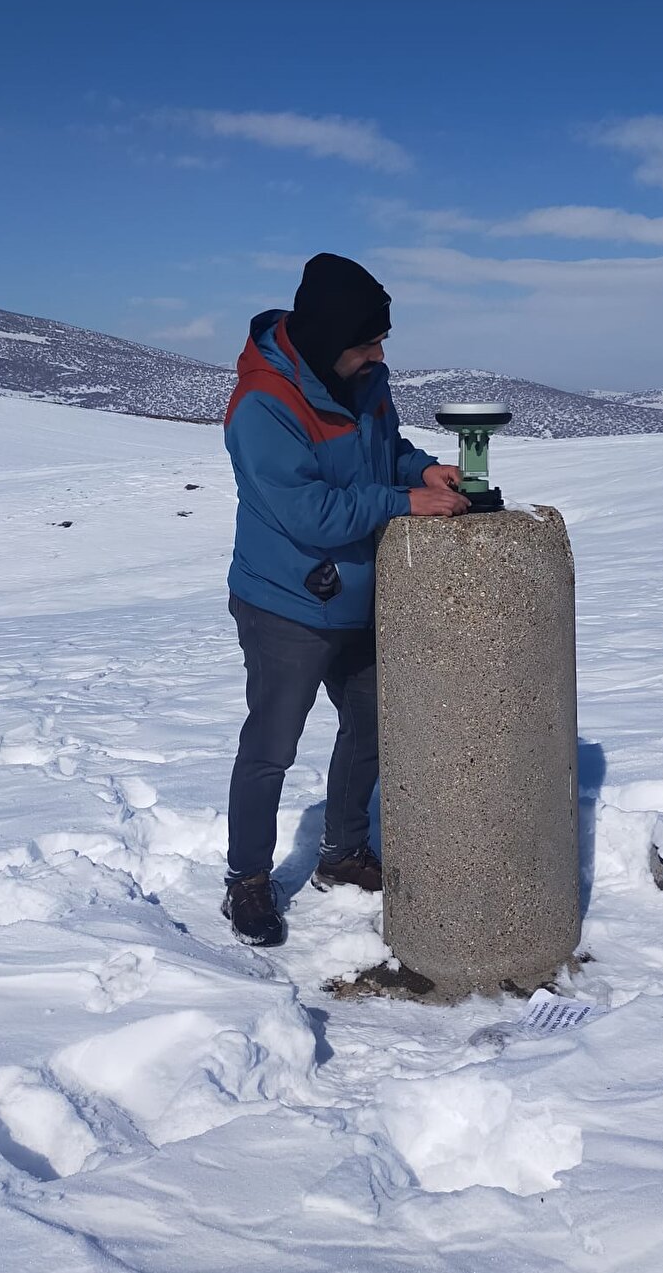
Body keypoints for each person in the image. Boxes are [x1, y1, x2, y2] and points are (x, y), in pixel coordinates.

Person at [221, 252, 469, 946]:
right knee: (272, 745)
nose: (380, 353)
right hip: (283, 604)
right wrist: (405, 501)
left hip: (357, 595)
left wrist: (423, 468)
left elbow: (383, 448)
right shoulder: (264, 404)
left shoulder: (364, 380)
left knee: (372, 723)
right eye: (369, 342)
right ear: (332, 341)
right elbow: (310, 513)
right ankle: (246, 878)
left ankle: (342, 851)